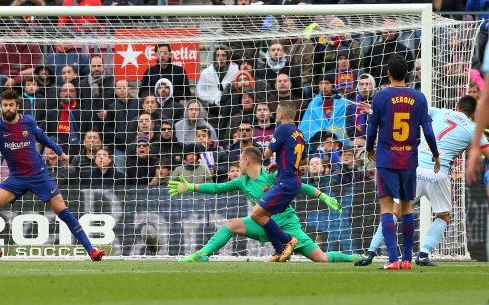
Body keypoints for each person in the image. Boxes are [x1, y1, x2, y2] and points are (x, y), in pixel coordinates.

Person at [0, 89, 105, 261]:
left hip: (39, 175)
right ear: (1, 107)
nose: (8, 108)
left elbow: (43, 137)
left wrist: (60, 152)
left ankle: (91, 250)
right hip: (16, 178)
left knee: (63, 211)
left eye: (11, 105)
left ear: (17, 106)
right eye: (5, 105)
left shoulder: (29, 122)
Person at [358, 95, 489, 267]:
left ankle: (370, 252)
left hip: (415, 169)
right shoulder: (473, 128)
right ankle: (423, 254)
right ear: (473, 113)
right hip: (438, 173)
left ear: (456, 106)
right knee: (443, 215)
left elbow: (405, 111)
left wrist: (374, 110)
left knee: (394, 212)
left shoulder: (441, 112)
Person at [170, 146, 358, 263]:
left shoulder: (271, 174)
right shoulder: (242, 181)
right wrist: (189, 187)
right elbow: (218, 188)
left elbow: (300, 185)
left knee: (322, 259)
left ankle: (352, 257)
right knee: (231, 225)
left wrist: (323, 197)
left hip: (287, 225)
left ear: (246, 161)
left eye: (240, 161)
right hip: (264, 223)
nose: (238, 165)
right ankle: (202, 254)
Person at [364, 54, 440, 270]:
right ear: (407, 73)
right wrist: (435, 154)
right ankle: (407, 260)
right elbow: (428, 130)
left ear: (388, 73)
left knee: (387, 207)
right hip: (409, 158)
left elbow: (372, 129)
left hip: (387, 158)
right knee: (407, 207)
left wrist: (369, 148)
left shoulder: (380, 96)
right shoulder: (419, 97)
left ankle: (393, 260)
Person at [248, 101, 306, 262]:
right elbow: (302, 163)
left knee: (256, 214)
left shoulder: (282, 129)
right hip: (294, 181)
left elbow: (266, 154)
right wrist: (279, 164)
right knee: (265, 215)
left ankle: (288, 241)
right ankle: (279, 251)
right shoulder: (299, 133)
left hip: (285, 182)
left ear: (280, 115)